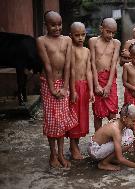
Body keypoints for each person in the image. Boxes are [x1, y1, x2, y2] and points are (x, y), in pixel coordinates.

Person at [36, 11, 77, 168]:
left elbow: (68, 64)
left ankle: (61, 153)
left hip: (63, 83)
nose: (57, 28)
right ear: (45, 25)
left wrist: (66, 86)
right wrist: (52, 87)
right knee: (51, 120)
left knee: (61, 120)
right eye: (53, 25)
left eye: (59, 24)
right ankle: (52, 154)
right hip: (48, 83)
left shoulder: (67, 40)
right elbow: (47, 65)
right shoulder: (42, 41)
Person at [88, 104, 135, 172]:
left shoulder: (121, 121)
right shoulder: (116, 130)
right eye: (133, 121)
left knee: (129, 134)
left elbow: (133, 126)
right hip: (95, 151)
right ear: (124, 118)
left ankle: (110, 158)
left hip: (98, 145)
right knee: (126, 142)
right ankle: (103, 163)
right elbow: (120, 158)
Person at [66, 22, 94, 160]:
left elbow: (88, 70)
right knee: (74, 117)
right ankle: (73, 145)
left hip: (84, 87)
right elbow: (71, 70)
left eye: (83, 35)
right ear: (70, 35)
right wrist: (72, 90)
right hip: (75, 86)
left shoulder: (87, 50)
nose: (80, 38)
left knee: (82, 116)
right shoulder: (70, 49)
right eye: (77, 35)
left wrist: (91, 89)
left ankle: (75, 145)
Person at [89, 18, 121, 131]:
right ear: (101, 29)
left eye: (113, 32)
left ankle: (111, 138)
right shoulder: (93, 41)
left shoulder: (116, 43)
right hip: (97, 79)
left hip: (110, 80)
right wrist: (96, 85)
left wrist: (108, 86)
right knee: (98, 113)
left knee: (112, 112)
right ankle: (97, 141)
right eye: (108, 31)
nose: (111, 35)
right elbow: (92, 62)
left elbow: (113, 65)